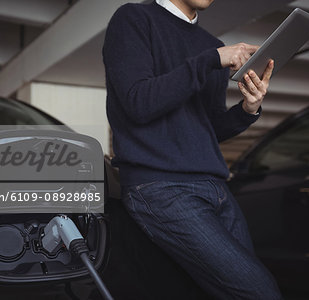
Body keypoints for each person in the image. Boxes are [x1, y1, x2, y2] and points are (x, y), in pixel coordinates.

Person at [103, 0, 282, 298]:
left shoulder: (211, 44)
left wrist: (248, 109)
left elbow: (206, 129)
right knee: (260, 292)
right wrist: (210, 60)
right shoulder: (133, 18)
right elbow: (138, 103)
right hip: (161, 188)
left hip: (215, 188)